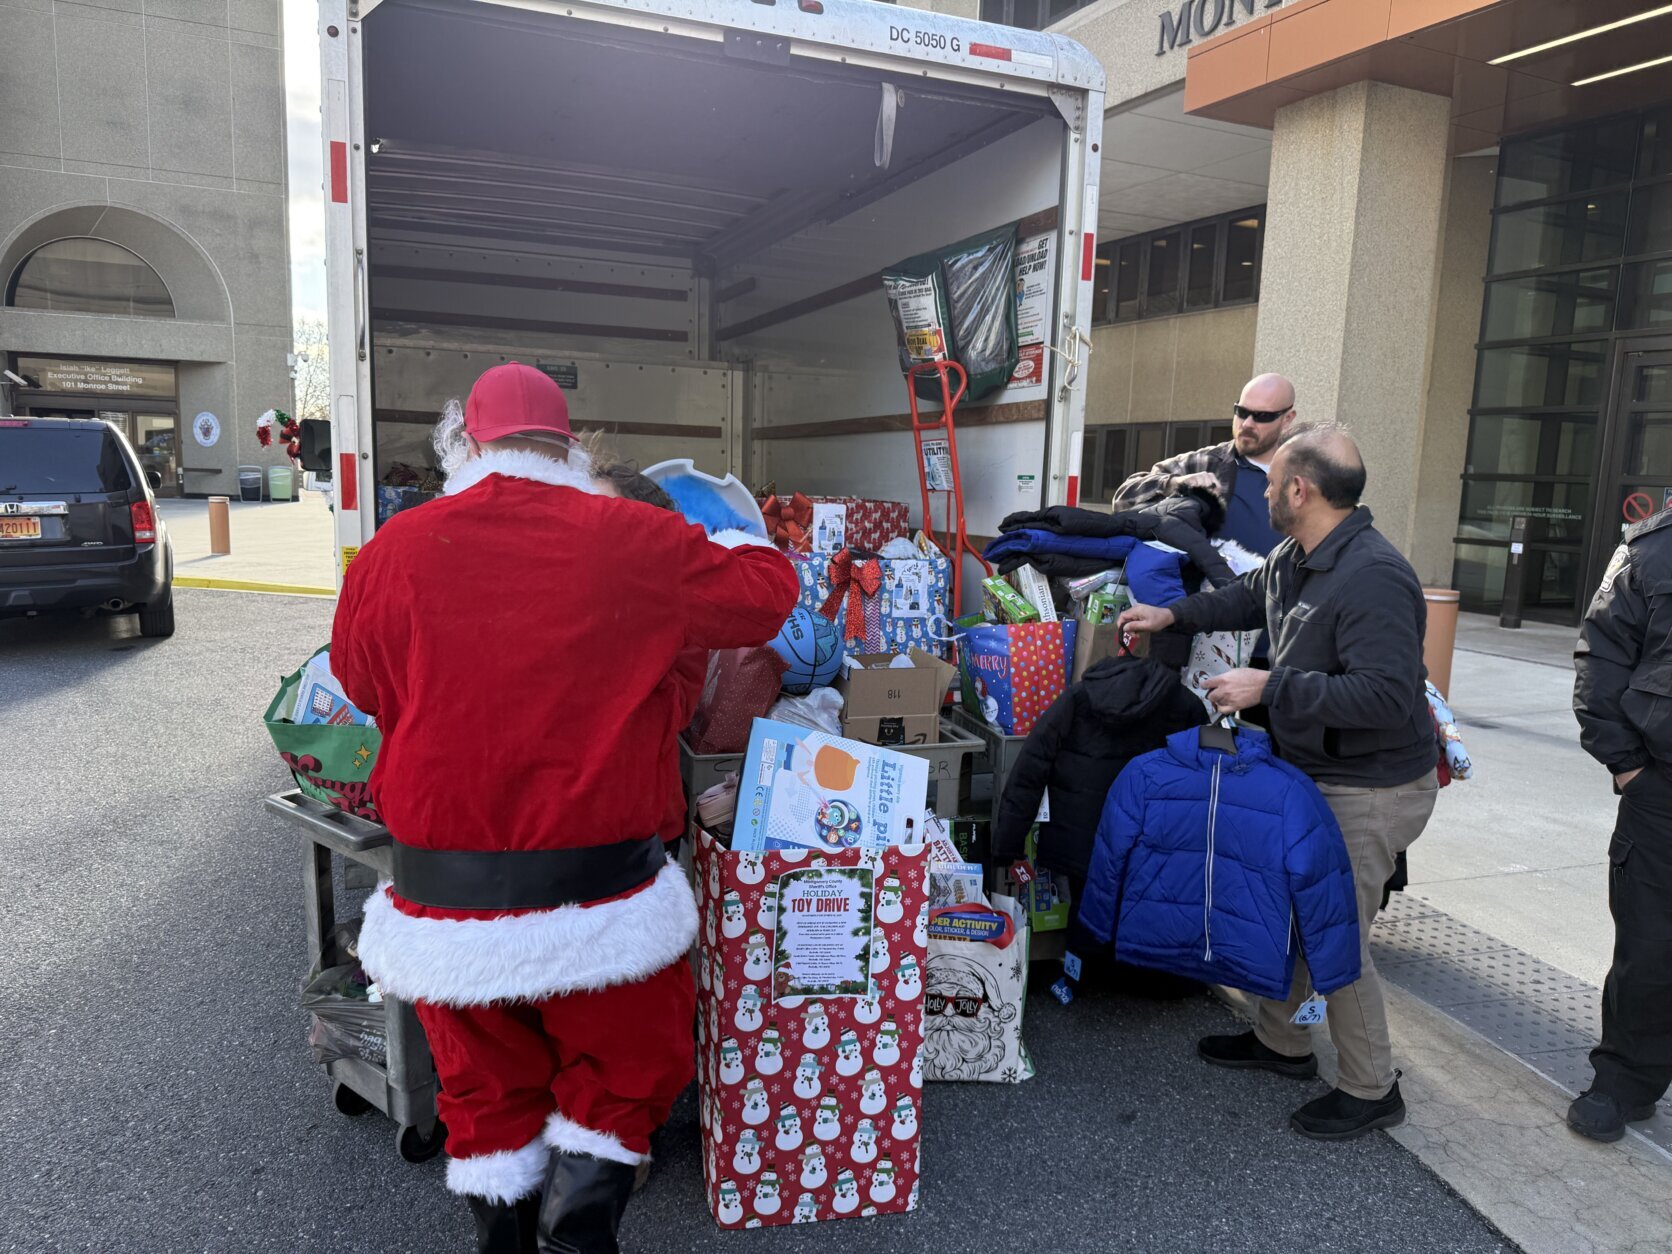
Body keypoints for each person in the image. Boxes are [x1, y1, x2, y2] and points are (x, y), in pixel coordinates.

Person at [331, 363, 798, 1253]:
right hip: (601, 899)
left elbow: (360, 680)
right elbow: (767, 597)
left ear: (466, 443)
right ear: (570, 446)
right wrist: (734, 539)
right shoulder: (631, 537)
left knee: (483, 1093)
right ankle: (576, 1240)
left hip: (443, 901)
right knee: (625, 1073)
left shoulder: (394, 548)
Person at [1118, 423, 1438, 1140]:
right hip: (1315, 771)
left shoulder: (1375, 576)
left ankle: (1371, 1086)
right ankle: (1283, 1042)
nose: (1260, 492)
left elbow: (1387, 696)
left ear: (1300, 490)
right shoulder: (1298, 555)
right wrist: (1171, 614)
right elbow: (1242, 598)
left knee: (1335, 934)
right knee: (1294, 910)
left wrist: (1271, 686)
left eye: (1270, 481)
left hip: (1371, 786)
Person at [1570, 508, 1672, 1142]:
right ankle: (1625, 1082)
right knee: (1650, 948)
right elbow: (1601, 657)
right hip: (1663, 793)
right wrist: (1629, 767)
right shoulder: (1653, 550)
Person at [1110, 372, 1298, 560]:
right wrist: (1175, 484)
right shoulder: (1206, 463)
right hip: (1216, 577)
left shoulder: (1304, 472)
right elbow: (1122, 499)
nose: (1247, 424)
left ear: (1287, 419)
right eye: (1241, 412)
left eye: (1262, 416)